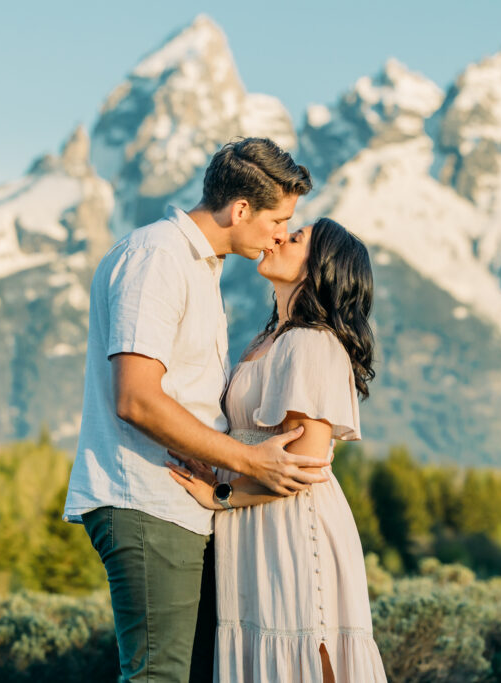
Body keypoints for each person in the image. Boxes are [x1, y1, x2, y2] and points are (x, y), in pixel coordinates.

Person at [63, 138, 327, 683]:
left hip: (177, 502)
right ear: (241, 210)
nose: (281, 234)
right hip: (146, 496)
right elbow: (136, 397)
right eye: (279, 220)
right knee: (159, 676)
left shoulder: (197, 266)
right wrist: (249, 461)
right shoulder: (158, 258)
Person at [167, 218, 388, 682]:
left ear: (320, 267)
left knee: (301, 655)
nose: (280, 236)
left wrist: (221, 496)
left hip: (292, 528)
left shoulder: (311, 343)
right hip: (253, 529)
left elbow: (303, 468)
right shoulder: (269, 340)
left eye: (297, 237)